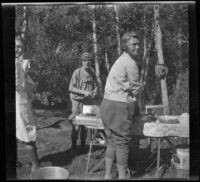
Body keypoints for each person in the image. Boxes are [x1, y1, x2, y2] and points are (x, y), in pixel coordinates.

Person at [100, 31, 142, 179]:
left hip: (106, 104)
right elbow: (135, 91)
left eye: (138, 44)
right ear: (125, 46)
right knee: (123, 142)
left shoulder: (120, 60)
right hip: (118, 106)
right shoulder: (131, 63)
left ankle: (107, 175)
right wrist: (135, 110)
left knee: (112, 140)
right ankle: (123, 177)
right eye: (134, 45)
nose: (137, 47)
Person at [15, 36, 40, 172]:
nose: (19, 50)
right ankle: (36, 166)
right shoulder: (16, 63)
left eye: (21, 48)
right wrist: (28, 88)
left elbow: (25, 79)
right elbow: (18, 85)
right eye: (17, 46)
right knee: (28, 133)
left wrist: (31, 82)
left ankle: (15, 162)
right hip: (19, 103)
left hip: (19, 101)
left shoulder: (19, 62)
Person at [68, 52, 98, 151]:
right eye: (84, 60)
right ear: (82, 62)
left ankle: (83, 145)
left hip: (87, 102)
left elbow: (96, 86)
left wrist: (94, 92)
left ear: (91, 62)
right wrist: (83, 92)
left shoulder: (92, 72)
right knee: (76, 124)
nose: (86, 62)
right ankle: (73, 145)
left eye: (88, 60)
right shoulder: (77, 72)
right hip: (77, 101)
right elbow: (71, 88)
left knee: (85, 124)